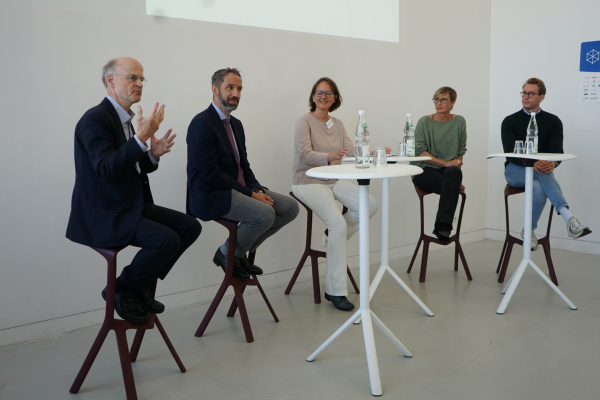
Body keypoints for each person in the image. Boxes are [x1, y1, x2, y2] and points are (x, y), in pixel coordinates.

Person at [66, 57, 202, 324]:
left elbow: (134, 169)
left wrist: (152, 154)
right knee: (166, 240)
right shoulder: (96, 119)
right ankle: (122, 290)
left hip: (128, 205)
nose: (139, 83)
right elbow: (106, 169)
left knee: (189, 227)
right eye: (132, 78)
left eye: (142, 79)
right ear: (110, 80)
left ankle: (137, 287)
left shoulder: (126, 119)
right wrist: (141, 139)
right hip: (104, 213)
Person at [187, 68, 299, 281]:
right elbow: (210, 174)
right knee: (264, 214)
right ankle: (228, 254)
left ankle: (233, 253)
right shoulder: (201, 123)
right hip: (212, 193)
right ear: (214, 89)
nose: (235, 93)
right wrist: (250, 193)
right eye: (230, 87)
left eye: (239, 88)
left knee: (289, 208)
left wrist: (255, 188)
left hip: (238, 189)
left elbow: (244, 166)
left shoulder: (235, 125)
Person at [292, 77, 382, 311]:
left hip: (332, 178)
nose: (323, 97)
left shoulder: (338, 123)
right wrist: (332, 155)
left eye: (328, 93)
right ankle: (335, 291)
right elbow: (305, 154)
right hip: (307, 180)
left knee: (369, 205)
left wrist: (372, 152)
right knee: (339, 226)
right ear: (313, 97)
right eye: (319, 93)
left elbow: (351, 150)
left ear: (335, 98)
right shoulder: (304, 121)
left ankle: (334, 235)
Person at [501, 77, 591, 249]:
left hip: (540, 172)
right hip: (515, 170)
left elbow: (557, 151)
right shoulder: (509, 121)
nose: (525, 97)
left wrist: (553, 163)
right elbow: (510, 153)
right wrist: (533, 164)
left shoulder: (553, 121)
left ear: (541, 97)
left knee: (539, 185)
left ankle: (528, 231)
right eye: (524, 93)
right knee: (542, 172)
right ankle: (568, 217)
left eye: (531, 93)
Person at [411, 86, 467, 241]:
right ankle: (444, 226)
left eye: (443, 99)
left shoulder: (459, 121)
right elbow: (421, 152)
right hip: (423, 169)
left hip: (447, 171)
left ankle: (442, 226)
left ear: (453, 102)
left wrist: (455, 169)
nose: (439, 103)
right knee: (451, 180)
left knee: (455, 173)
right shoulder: (424, 122)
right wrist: (446, 165)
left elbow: (460, 151)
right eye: (436, 99)